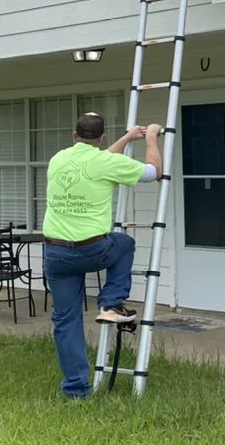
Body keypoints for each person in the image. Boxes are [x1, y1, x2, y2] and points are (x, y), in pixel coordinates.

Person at [41, 112, 163, 399]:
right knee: (125, 244)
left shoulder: (58, 159)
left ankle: (75, 390)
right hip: (92, 249)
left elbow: (96, 161)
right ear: (102, 137)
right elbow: (153, 171)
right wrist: (151, 137)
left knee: (65, 320)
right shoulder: (106, 162)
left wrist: (126, 138)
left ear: (74, 135)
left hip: (55, 253)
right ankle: (110, 303)